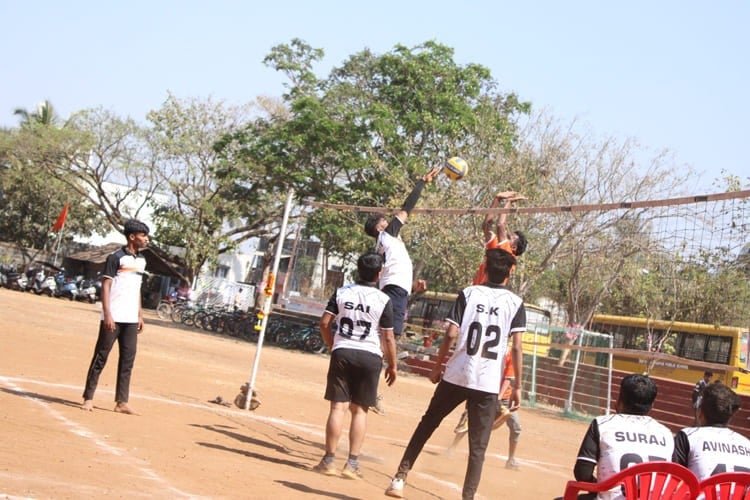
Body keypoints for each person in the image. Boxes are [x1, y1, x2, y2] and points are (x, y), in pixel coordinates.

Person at [385, 248, 525, 500]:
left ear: (485, 268)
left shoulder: (468, 293)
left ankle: (399, 478)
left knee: (428, 424)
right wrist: (516, 386)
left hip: (458, 373)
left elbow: (450, 333)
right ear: (510, 272)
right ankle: (468, 497)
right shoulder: (515, 303)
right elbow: (516, 346)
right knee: (478, 447)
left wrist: (438, 365)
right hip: (488, 382)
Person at [312, 251, 398, 479]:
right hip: (370, 356)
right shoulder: (384, 300)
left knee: (337, 407)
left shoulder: (341, 292)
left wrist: (334, 345)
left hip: (343, 351)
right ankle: (352, 464)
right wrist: (393, 365)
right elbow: (388, 337)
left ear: (357, 270)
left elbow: (324, 323)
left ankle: (329, 460)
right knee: (360, 411)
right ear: (379, 274)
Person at [364, 165, 440, 414]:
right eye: (384, 220)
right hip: (395, 291)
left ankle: (371, 382)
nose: (389, 219)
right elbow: (407, 208)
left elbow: (388, 278)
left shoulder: (385, 244)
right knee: (388, 339)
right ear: (379, 227)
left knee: (384, 339)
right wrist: (421, 182)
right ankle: (372, 387)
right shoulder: (387, 236)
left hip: (397, 290)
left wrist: (413, 289)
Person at [81, 219, 150, 415]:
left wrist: (140, 314)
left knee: (128, 359)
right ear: (132, 237)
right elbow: (106, 285)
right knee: (101, 356)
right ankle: (88, 397)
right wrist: (107, 314)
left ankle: (122, 401)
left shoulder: (141, 261)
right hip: (113, 316)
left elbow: (136, 289)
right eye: (143, 235)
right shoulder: (115, 258)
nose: (146, 239)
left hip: (130, 319)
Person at [572, 374, 674, 500]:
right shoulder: (666, 433)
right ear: (652, 405)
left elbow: (582, 473)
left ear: (620, 399)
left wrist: (601, 488)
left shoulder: (602, 424)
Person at [450, 350, 522, 470]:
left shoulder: (512, 353)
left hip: (504, 398)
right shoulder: (495, 349)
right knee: (470, 421)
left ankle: (511, 460)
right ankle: (452, 448)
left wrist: (499, 398)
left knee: (515, 427)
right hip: (488, 393)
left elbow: (508, 378)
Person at [673, 382, 750, 480]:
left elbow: (674, 480)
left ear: (700, 412)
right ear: (729, 417)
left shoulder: (688, 437)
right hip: (738, 495)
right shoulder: (746, 444)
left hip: (702, 495)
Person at [473, 191, 528, 285]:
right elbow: (486, 225)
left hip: (490, 295)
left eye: (509, 238)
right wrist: (497, 199)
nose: (504, 237)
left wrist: (508, 203)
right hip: (477, 290)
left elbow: (500, 225)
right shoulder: (496, 251)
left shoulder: (508, 255)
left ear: (514, 247)